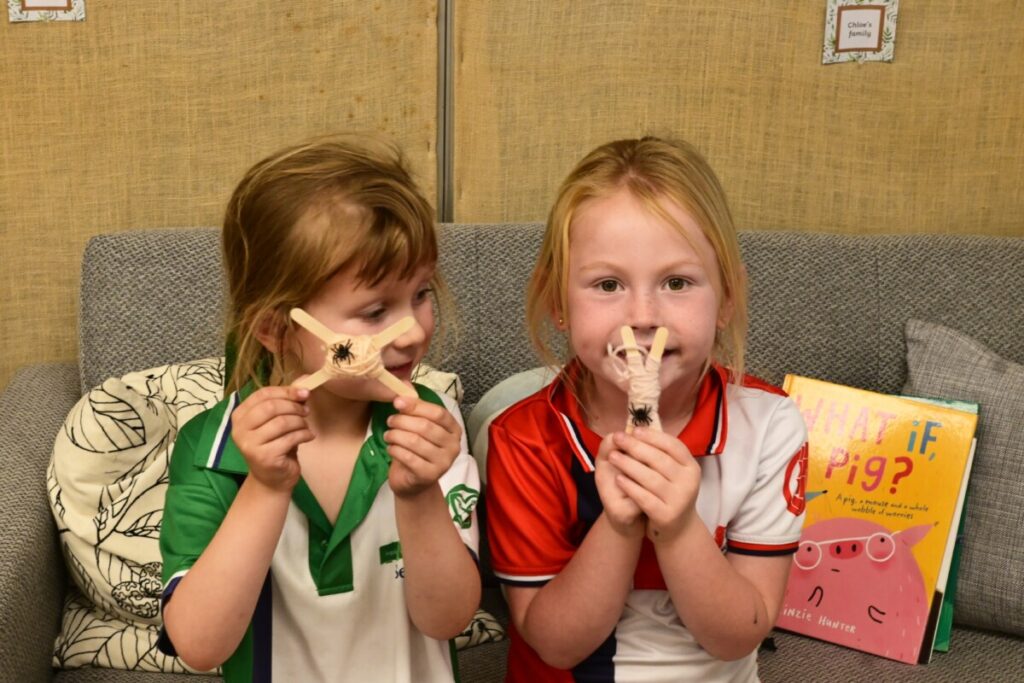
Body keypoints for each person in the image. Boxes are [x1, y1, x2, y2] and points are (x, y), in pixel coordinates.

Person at [158, 135, 481, 682]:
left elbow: (449, 619)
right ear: (274, 327)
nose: (412, 332)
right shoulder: (212, 448)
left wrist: (420, 495)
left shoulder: (431, 427)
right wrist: (265, 488)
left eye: (421, 293)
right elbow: (199, 645)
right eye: (375, 311)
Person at [486, 136, 808, 682]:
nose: (642, 316)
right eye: (608, 284)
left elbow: (740, 634)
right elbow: (555, 646)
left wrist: (679, 529)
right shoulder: (523, 439)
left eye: (677, 282)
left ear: (727, 297)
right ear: (559, 302)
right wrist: (618, 526)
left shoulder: (770, 425)